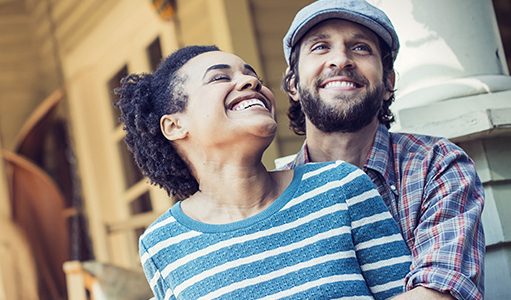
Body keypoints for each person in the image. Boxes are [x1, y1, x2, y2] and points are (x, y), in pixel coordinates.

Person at [117, 45, 411, 299]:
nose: (250, 82)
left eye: (252, 75)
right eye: (220, 77)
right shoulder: (162, 245)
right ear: (174, 125)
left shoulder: (340, 187)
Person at [279, 1, 485, 299]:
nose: (341, 60)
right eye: (321, 47)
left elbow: (441, 293)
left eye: (361, 48)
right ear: (293, 83)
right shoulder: (274, 193)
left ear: (389, 82)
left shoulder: (437, 165)